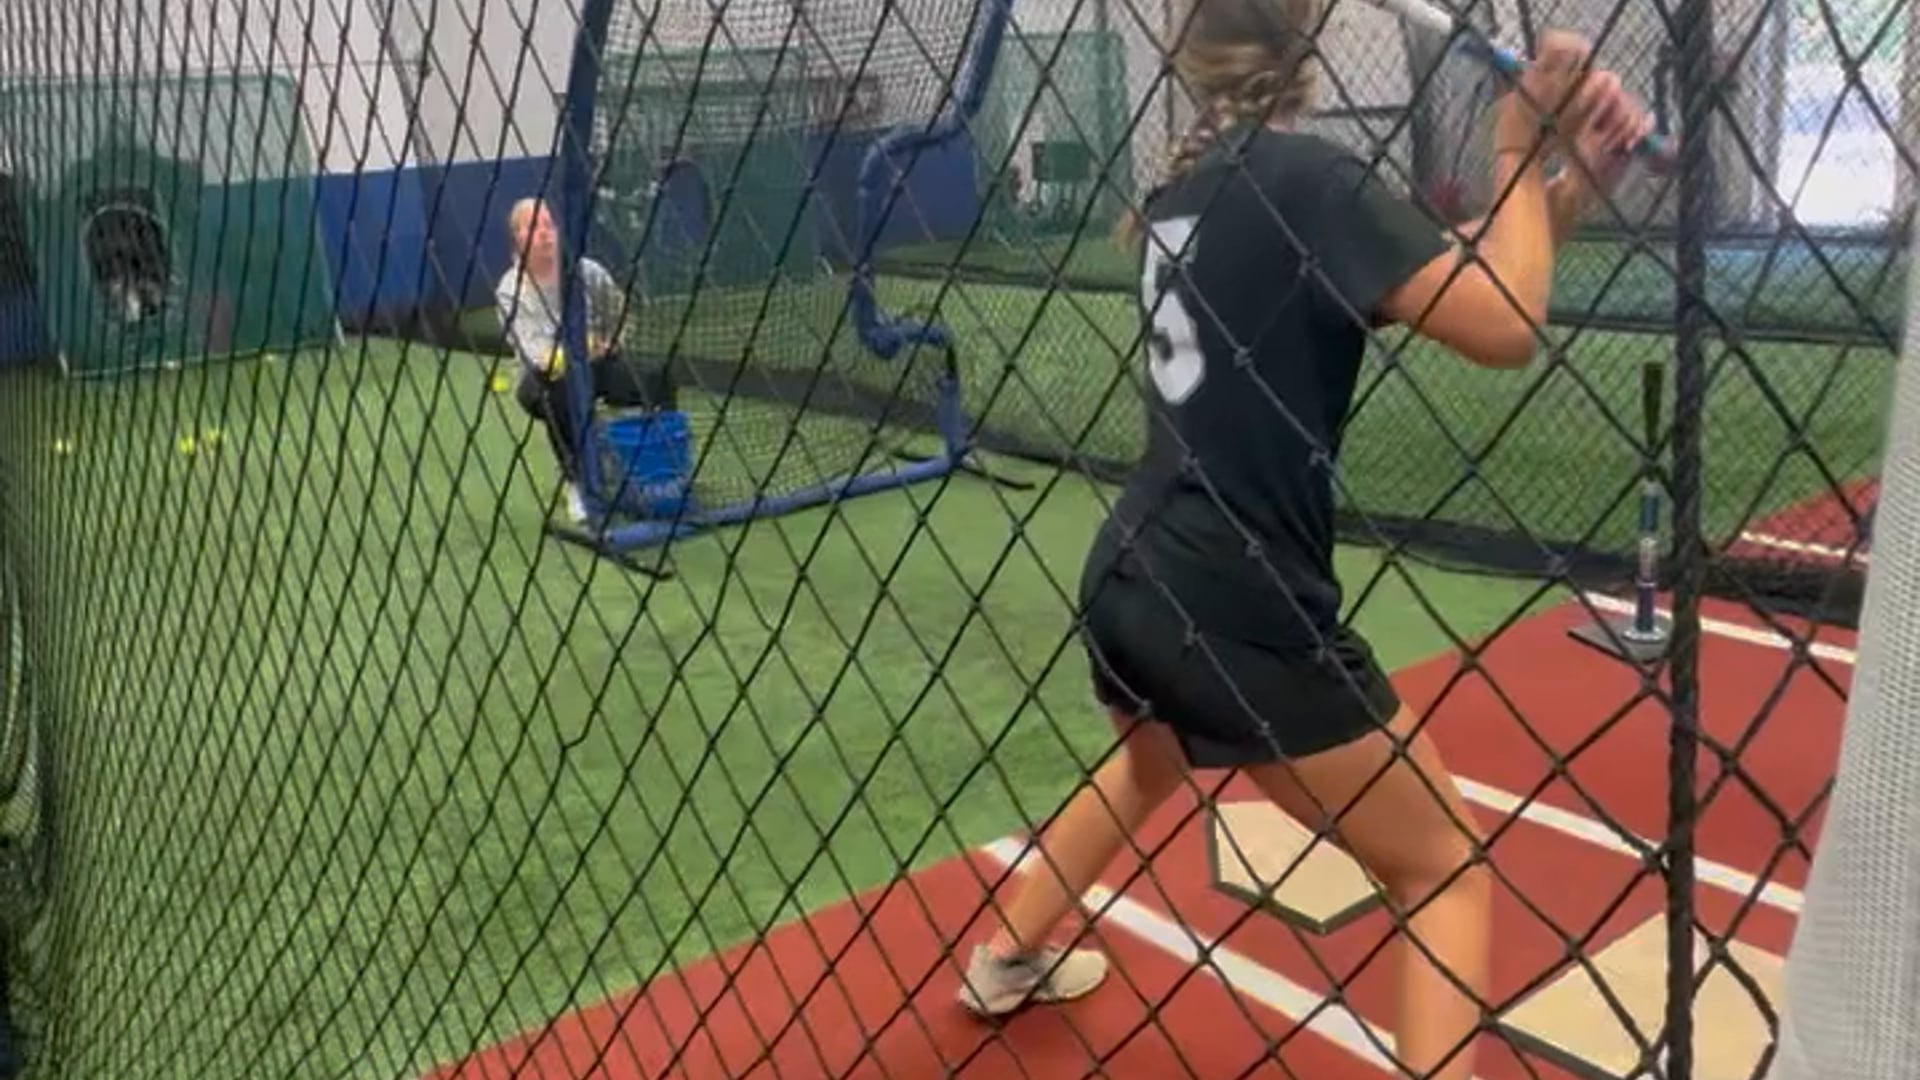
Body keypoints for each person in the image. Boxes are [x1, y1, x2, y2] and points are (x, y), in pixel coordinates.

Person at [954, 6, 1653, 1080]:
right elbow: (1506, 326)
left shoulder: (1194, 187)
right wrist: (1516, 141)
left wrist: (1573, 185)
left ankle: (1005, 957)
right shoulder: (1308, 181)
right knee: (1442, 870)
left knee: (1149, 760)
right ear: (1306, 50)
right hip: (1240, 600)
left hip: (1136, 573)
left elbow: (1462, 269)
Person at [496, 197, 677, 522]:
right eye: (533, 227)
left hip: (598, 366)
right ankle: (577, 482)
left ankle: (661, 470)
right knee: (557, 397)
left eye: (549, 225)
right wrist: (583, 348)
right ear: (517, 238)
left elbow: (619, 314)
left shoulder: (586, 271)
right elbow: (538, 358)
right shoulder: (511, 290)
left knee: (657, 377)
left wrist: (613, 341)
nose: (544, 234)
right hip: (545, 379)